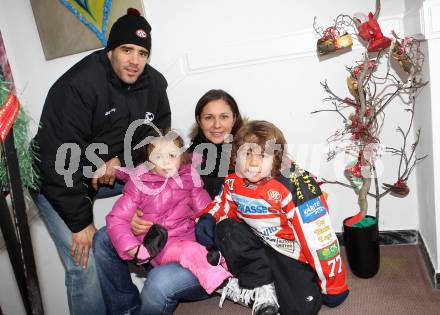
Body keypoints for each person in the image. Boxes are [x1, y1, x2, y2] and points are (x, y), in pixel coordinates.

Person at [31, 8, 170, 314]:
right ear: (110, 51)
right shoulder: (78, 86)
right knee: (84, 262)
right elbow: (56, 160)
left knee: (165, 184)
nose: (135, 60)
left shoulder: (155, 84)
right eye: (126, 50)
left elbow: (155, 140)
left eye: (142, 53)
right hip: (57, 179)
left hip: (106, 173)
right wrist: (80, 223)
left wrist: (118, 158)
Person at [196, 120, 349, 315]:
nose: (252, 162)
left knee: (300, 310)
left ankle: (278, 283)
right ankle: (261, 283)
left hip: (291, 253)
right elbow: (223, 203)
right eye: (247, 153)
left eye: (262, 155)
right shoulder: (234, 180)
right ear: (236, 155)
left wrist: (334, 285)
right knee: (224, 228)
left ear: (276, 157)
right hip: (259, 245)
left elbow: (320, 240)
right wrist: (208, 217)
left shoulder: (296, 184)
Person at [98, 130, 233, 314]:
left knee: (193, 247)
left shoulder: (189, 178)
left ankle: (218, 262)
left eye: (172, 155)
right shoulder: (139, 183)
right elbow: (116, 219)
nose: (166, 162)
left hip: (186, 237)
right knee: (189, 250)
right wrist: (132, 247)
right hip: (161, 244)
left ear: (182, 158)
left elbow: (207, 209)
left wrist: (209, 223)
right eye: (158, 156)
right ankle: (223, 280)